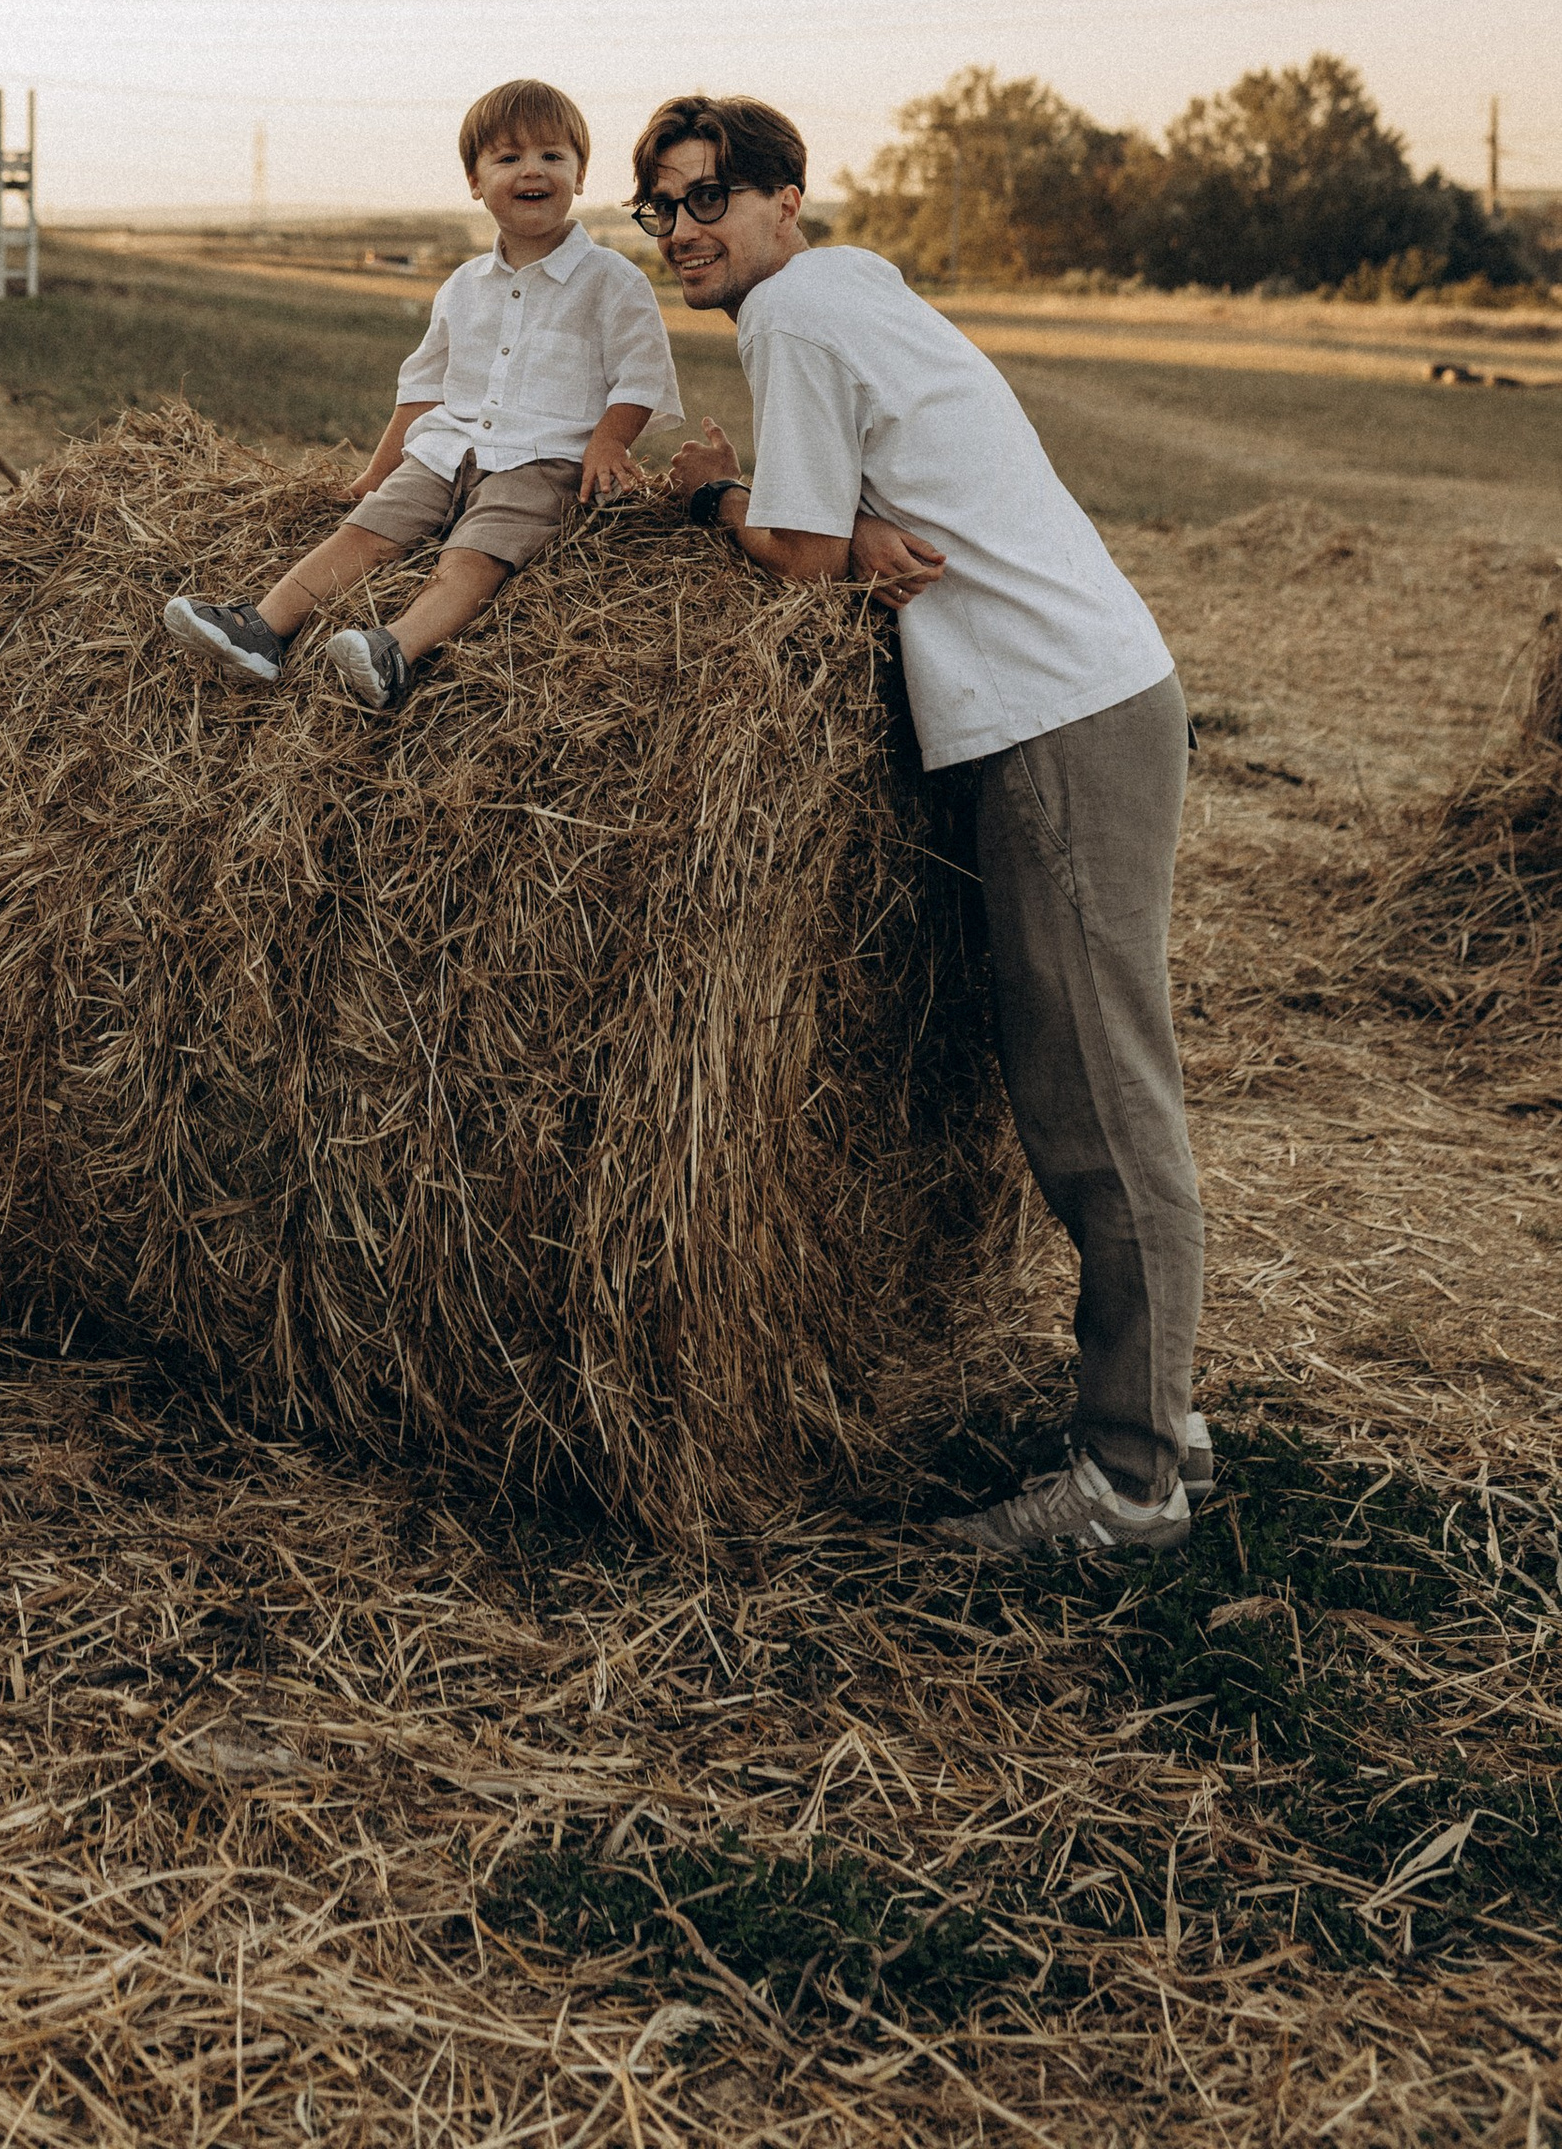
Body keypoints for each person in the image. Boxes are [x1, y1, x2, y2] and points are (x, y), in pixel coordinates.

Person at [634, 88, 1210, 1560]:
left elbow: (808, 556)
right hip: (1081, 698)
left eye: (707, 199)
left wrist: (713, 498)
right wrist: (821, 523)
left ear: (781, 200)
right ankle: (1158, 1411)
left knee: (1096, 1096)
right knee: (1095, 1076)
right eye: (660, 208)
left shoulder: (796, 317)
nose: (682, 232)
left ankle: (1131, 1482)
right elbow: (846, 533)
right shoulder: (852, 289)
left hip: (1058, 718)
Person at [166, 77, 680, 711]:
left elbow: (642, 375)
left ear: (579, 175)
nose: (532, 171)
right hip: (444, 454)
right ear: (474, 180)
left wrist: (609, 440)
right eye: (508, 157)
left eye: (553, 156)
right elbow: (422, 391)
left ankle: (395, 650)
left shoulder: (612, 281)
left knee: (473, 557)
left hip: (540, 462)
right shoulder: (462, 287)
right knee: (365, 530)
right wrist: (373, 478)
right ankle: (264, 631)